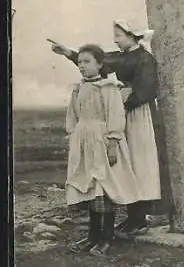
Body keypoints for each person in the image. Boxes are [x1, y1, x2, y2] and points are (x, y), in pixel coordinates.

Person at [50, 20, 162, 236]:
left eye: (119, 35)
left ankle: (139, 218)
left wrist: (123, 101)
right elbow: (99, 61)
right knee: (121, 165)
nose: (115, 40)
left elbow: (147, 90)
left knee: (138, 163)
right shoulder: (121, 57)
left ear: (132, 35)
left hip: (137, 114)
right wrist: (68, 53)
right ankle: (132, 218)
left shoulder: (145, 59)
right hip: (118, 112)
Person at [65, 44, 141, 255]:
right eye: (79, 62)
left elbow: (116, 116)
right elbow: (73, 116)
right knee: (90, 190)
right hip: (84, 143)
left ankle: (106, 238)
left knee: (105, 189)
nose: (82, 66)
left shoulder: (108, 88)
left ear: (100, 64)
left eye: (87, 62)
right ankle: (92, 237)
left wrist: (113, 143)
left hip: (103, 142)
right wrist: (73, 138)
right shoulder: (78, 88)